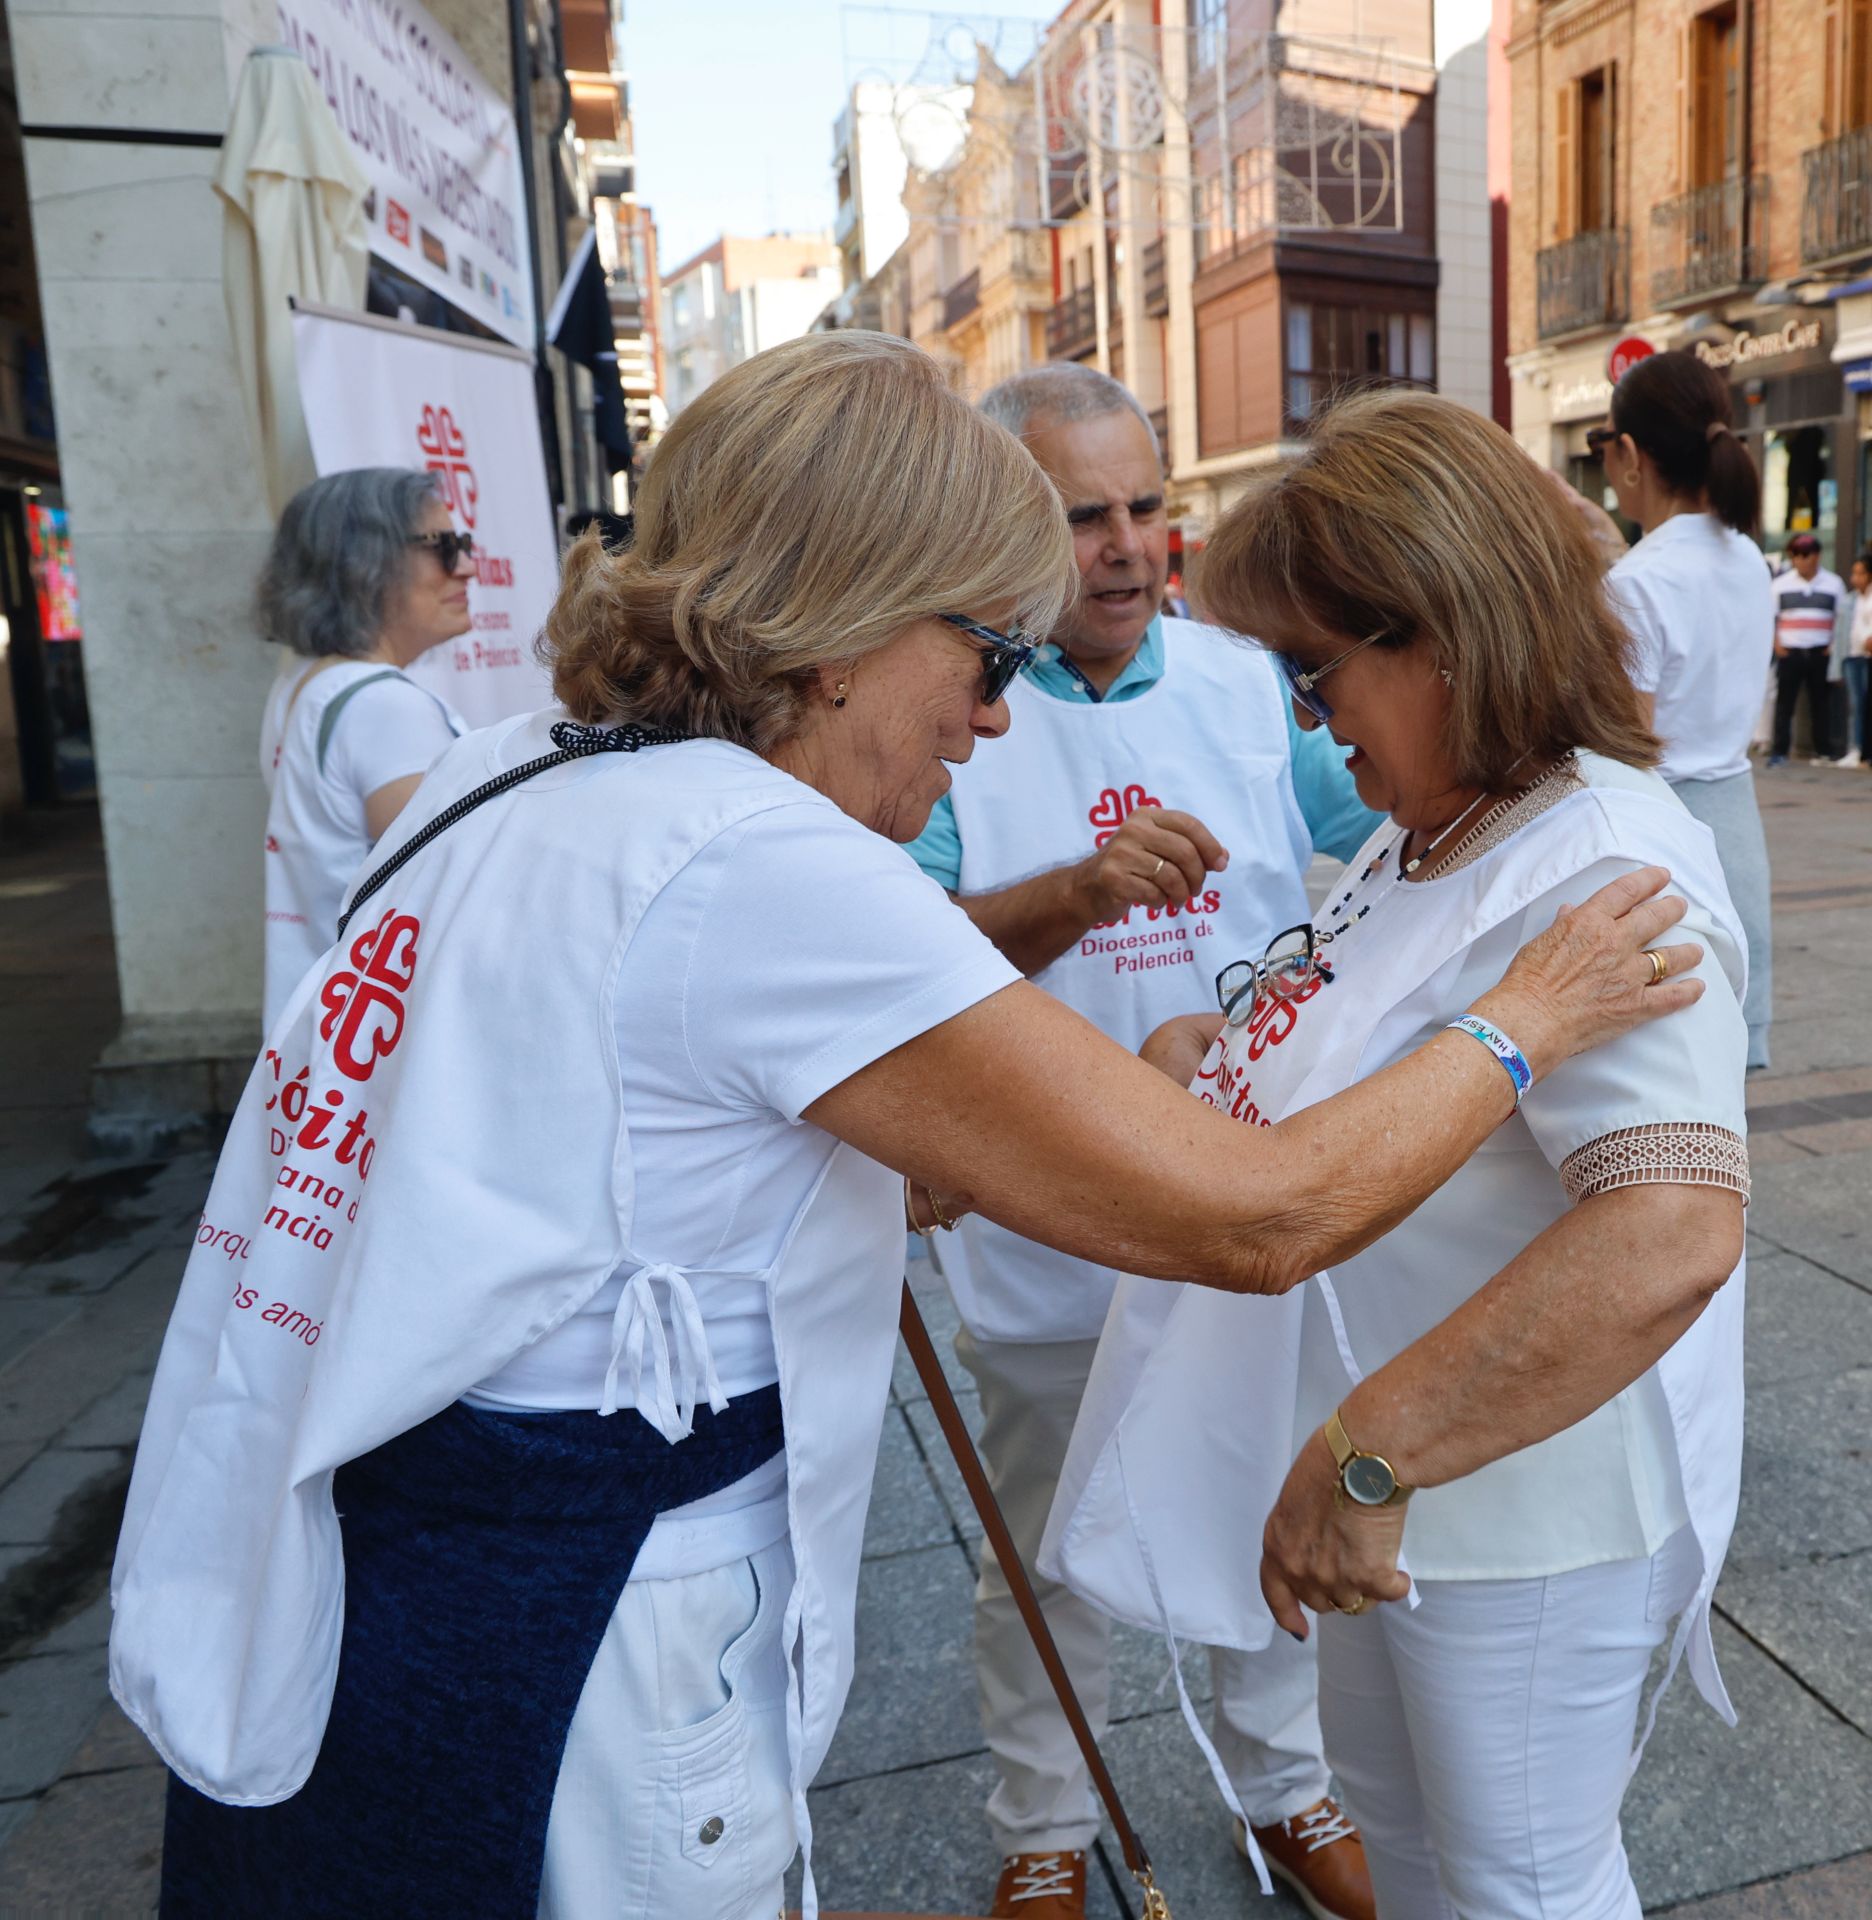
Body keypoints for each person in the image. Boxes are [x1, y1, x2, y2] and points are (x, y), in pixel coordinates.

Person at [112, 335, 1702, 1920]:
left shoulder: (512, 774)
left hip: (366, 1573)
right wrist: (1527, 1018)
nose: (998, 722)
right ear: (846, 622)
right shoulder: (755, 859)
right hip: (575, 1621)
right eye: (991, 656)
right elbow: (1259, 1216)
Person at [1047, 389, 1748, 1920]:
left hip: (1505, 1508)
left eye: (1319, 672)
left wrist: (1379, 1448)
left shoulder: (1603, 865)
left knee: (1522, 1890)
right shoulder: (1432, 822)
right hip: (1393, 1489)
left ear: (1443, 631)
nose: (1311, 719)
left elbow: (1671, 1231)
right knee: (1428, 1870)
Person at [907, 362, 1380, 1920]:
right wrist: (1076, 895)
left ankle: (1288, 1789)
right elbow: (902, 955)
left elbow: (1380, 834)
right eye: (1081, 516)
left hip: (1241, 1190)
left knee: (1267, 1499)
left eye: (1145, 507)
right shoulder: (956, 710)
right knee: (1043, 1540)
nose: (1122, 547)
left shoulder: (1249, 681)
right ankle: (1044, 1826)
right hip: (1045, 1202)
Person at [1597, 350, 1776, 1066]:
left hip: (1664, 834)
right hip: (1737, 821)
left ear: (1631, 454)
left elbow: (1628, 743)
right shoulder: (1747, 558)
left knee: (1670, 1062)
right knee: (1726, 1063)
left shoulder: (1639, 582)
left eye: (1605, 446)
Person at [257, 468, 470, 1025]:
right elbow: (452, 884)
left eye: (463, 545)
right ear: (364, 566)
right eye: (443, 547)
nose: (467, 566)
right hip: (380, 1033)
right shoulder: (383, 707)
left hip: (327, 1023)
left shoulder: (303, 684)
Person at [1767, 531, 1848, 765]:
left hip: (1819, 651)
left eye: (1806, 554)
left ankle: (1823, 750)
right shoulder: (1780, 585)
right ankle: (1779, 750)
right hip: (1790, 650)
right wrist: (1777, 644)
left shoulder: (1833, 583)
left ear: (1817, 556)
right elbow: (1771, 617)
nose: (1801, 560)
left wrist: (1832, 645)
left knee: (1821, 703)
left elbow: (1840, 619)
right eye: (1796, 555)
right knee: (1785, 703)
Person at [1839, 549, 1872, 769]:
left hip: (1868, 657)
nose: (1855, 578)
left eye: (1860, 573)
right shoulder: (1850, 599)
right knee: (1855, 704)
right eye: (1853, 573)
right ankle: (1855, 748)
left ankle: (1863, 750)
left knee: (1866, 705)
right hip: (1852, 656)